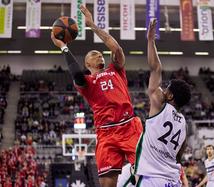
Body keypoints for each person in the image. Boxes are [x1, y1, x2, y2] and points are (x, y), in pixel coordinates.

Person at [51, 5, 143, 187]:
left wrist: (92, 25)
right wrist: (63, 47)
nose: (99, 55)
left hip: (129, 126)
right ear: (87, 63)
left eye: (101, 54)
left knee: (145, 177)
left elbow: (116, 49)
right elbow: (75, 74)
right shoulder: (86, 82)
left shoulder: (116, 70)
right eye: (94, 54)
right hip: (106, 132)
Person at [133, 19, 191, 186]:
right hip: (173, 179)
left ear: (170, 96)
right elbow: (180, 152)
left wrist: (151, 40)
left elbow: (156, 68)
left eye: (167, 88)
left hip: (152, 178)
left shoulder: (160, 104)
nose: (163, 90)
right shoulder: (183, 123)